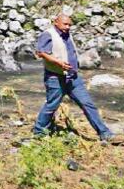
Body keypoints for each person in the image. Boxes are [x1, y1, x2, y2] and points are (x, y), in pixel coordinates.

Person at [33, 13, 118, 143]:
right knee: (51, 105)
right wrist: (59, 63)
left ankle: (105, 133)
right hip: (55, 77)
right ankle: (39, 132)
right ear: (56, 22)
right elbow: (41, 53)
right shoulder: (48, 34)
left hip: (73, 77)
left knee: (87, 104)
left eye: (69, 25)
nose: (67, 27)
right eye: (65, 24)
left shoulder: (67, 34)